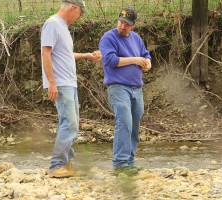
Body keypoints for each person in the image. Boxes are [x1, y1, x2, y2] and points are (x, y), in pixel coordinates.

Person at [41, 0, 101, 178]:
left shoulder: (62, 27)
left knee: (69, 123)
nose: (79, 17)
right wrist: (52, 82)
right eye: (80, 13)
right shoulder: (52, 24)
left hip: (69, 82)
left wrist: (87, 56)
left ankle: (65, 163)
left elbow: (65, 55)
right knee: (70, 123)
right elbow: (45, 53)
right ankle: (57, 165)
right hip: (61, 82)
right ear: (74, 8)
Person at [99, 7, 152, 170]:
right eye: (120, 22)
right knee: (124, 122)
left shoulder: (136, 38)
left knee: (134, 124)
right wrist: (135, 60)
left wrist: (148, 63)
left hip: (137, 88)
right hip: (118, 87)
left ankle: (129, 161)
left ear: (133, 25)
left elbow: (146, 54)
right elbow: (110, 60)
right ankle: (121, 163)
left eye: (126, 24)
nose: (122, 26)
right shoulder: (108, 37)